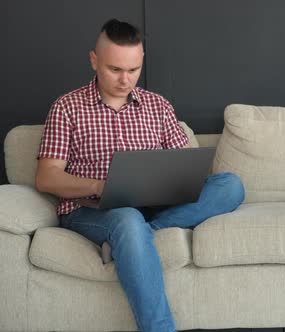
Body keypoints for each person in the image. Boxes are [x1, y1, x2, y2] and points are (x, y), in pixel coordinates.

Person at [35, 18, 245, 332]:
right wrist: (100, 185)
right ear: (94, 60)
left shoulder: (158, 106)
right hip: (93, 210)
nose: (125, 80)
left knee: (230, 185)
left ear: (141, 62)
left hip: (153, 204)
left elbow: (185, 162)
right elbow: (46, 178)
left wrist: (176, 178)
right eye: (114, 69)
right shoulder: (67, 108)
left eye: (133, 70)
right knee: (127, 220)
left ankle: (136, 236)